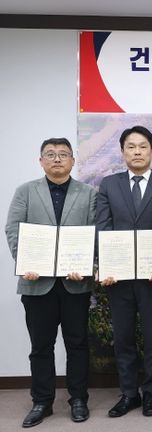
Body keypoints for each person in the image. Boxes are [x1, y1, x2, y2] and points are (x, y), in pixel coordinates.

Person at [5, 138, 97, 428]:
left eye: (63, 154)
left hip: (75, 283)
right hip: (37, 284)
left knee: (77, 344)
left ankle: (78, 399)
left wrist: (86, 266)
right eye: (50, 154)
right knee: (41, 346)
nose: (57, 159)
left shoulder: (89, 193)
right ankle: (42, 401)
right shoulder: (26, 191)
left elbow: (95, 233)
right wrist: (25, 262)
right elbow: (13, 229)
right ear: (41, 160)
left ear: (73, 161)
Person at [96, 126, 152, 417]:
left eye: (143, 146)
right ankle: (129, 393)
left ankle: (151, 392)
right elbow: (103, 227)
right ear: (122, 152)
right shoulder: (109, 184)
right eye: (131, 147)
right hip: (118, 277)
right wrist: (106, 265)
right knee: (123, 336)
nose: (137, 152)